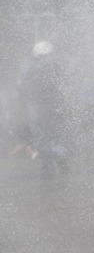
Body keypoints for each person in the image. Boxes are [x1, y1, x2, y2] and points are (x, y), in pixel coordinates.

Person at [16, 40, 69, 175]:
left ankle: (47, 167)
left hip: (36, 105)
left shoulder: (29, 64)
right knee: (56, 134)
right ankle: (60, 153)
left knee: (40, 136)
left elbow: (20, 84)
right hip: (55, 104)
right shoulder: (56, 62)